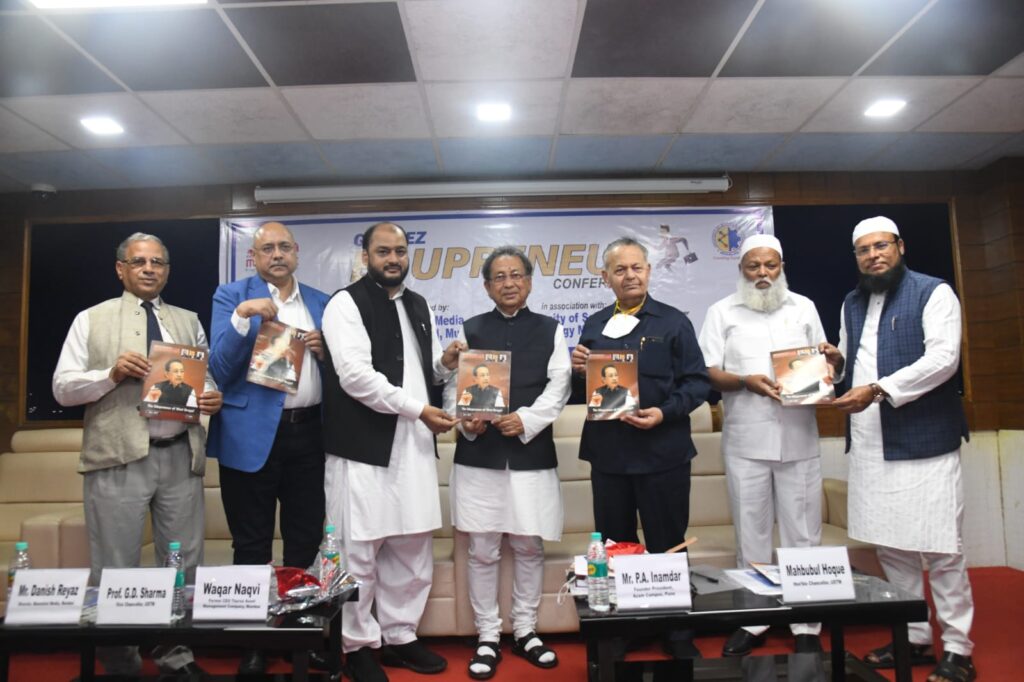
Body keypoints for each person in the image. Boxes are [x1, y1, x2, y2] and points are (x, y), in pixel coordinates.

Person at [52, 232, 221, 678]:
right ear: (120, 268)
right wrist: (109, 374)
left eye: (158, 262)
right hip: (118, 458)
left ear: (167, 270)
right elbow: (63, 388)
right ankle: (121, 664)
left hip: (180, 455)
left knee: (183, 563)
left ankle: (176, 658)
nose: (149, 269)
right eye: (139, 261)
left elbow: (207, 381)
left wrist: (211, 398)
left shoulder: (187, 321)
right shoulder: (91, 319)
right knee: (115, 565)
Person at [833, 217, 976, 682]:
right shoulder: (852, 302)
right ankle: (913, 637)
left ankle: (958, 648)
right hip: (872, 441)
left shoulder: (934, 292)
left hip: (925, 440)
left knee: (941, 547)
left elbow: (942, 360)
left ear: (900, 246)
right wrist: (834, 362)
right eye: (863, 250)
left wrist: (877, 388)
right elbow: (852, 361)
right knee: (891, 547)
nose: (873, 255)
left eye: (881, 246)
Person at [321, 222, 461, 682]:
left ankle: (401, 635)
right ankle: (357, 643)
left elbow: (425, 373)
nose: (393, 259)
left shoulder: (418, 304)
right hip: (363, 446)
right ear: (366, 256)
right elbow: (355, 377)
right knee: (358, 548)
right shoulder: (346, 303)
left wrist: (445, 365)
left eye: (400, 251)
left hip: (414, 445)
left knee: (412, 545)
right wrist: (417, 409)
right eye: (383, 251)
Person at [697, 234, 840, 657]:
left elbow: (825, 362)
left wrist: (832, 363)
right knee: (752, 534)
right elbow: (709, 371)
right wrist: (745, 382)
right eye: (753, 267)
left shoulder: (805, 307)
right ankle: (755, 618)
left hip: (799, 436)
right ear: (741, 269)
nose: (762, 274)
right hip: (745, 439)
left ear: (781, 266)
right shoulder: (722, 311)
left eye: (770, 266)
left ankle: (807, 623)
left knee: (804, 533)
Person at [571, 237, 710, 660]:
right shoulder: (594, 325)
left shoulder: (673, 322)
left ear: (649, 271)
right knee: (617, 544)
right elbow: (588, 394)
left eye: (637, 267)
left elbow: (697, 383)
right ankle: (628, 624)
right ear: (605, 277)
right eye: (620, 269)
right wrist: (579, 371)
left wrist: (663, 413)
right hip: (609, 455)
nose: (629, 275)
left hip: (662, 452)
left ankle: (676, 630)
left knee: (667, 541)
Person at [207, 221, 330, 676]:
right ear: (253, 258)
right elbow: (219, 367)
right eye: (267, 249)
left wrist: (325, 352)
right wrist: (243, 318)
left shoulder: (322, 302)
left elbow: (346, 374)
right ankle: (252, 643)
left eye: (284, 247)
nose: (276, 255)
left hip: (309, 436)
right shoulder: (231, 296)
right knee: (251, 542)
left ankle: (297, 632)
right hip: (249, 435)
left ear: (296, 253)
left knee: (304, 539)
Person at [443, 247, 571, 680]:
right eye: (499, 277)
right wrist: (470, 424)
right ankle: (487, 635)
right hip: (480, 457)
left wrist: (528, 419)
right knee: (482, 549)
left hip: (531, 454)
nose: (509, 282)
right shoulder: (470, 329)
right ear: (487, 286)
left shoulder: (552, 330)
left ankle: (526, 630)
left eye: (517, 275)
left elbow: (560, 387)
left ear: (530, 281)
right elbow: (455, 390)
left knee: (528, 545)